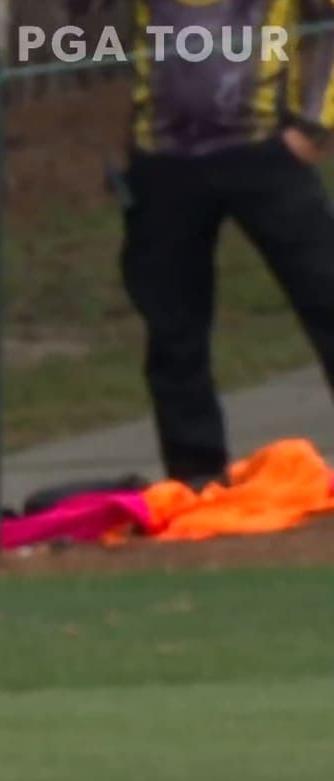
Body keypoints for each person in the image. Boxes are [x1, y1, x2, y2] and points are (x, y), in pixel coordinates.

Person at [118, 0, 334, 485]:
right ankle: (195, 477)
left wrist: (315, 124)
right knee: (173, 330)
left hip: (265, 151)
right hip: (163, 159)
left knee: (326, 295)